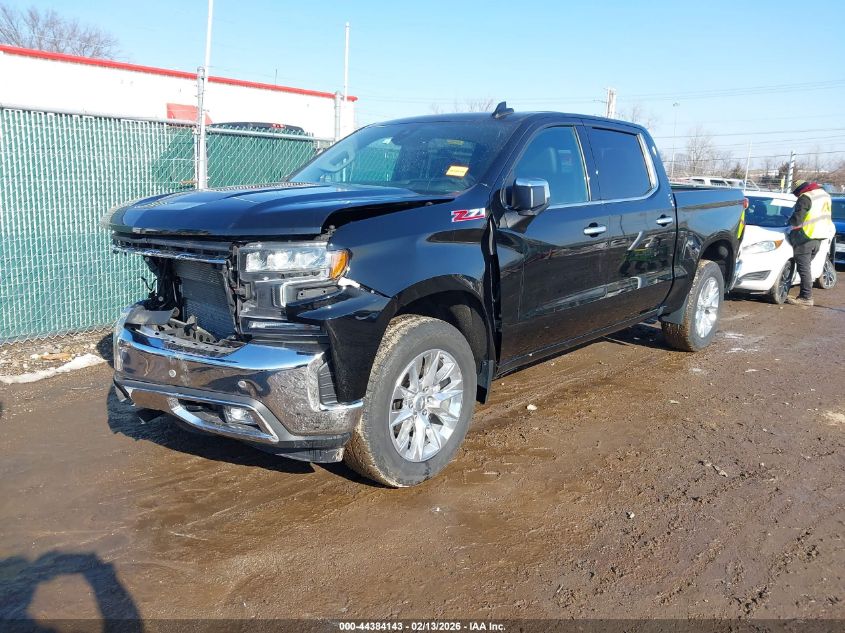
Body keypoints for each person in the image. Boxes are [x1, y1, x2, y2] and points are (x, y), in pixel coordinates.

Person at [786, 180, 835, 306]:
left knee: (804, 269)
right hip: (820, 236)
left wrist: (788, 222)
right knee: (805, 267)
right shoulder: (824, 195)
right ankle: (804, 294)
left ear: (799, 190)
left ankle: (806, 297)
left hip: (806, 236)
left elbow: (796, 220)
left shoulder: (806, 197)